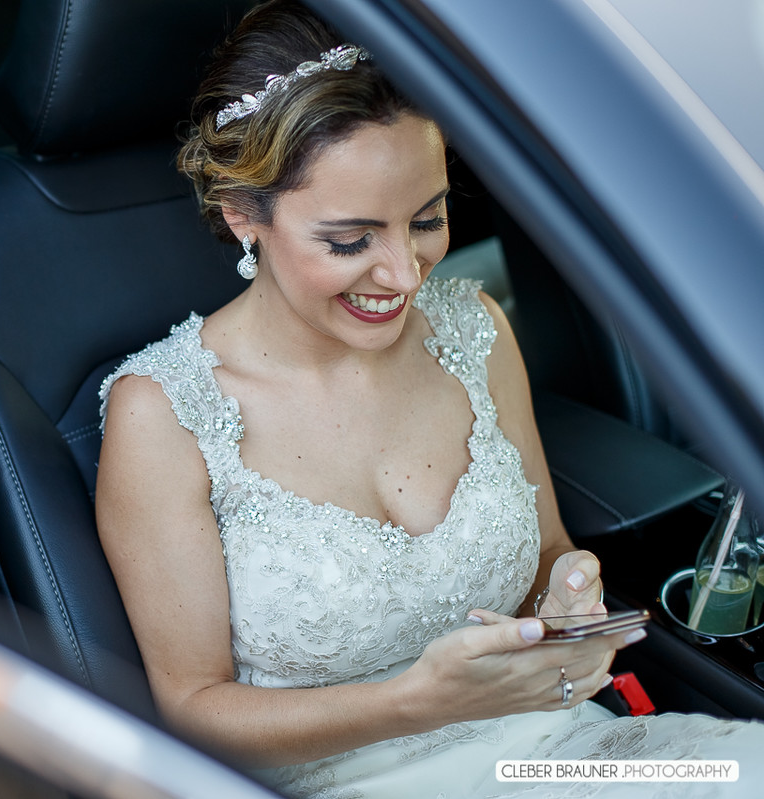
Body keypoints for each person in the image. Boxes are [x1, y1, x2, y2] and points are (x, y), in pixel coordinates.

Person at [95, 1, 764, 796]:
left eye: (427, 219)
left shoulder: (474, 328)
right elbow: (193, 712)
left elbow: (548, 552)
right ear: (245, 217)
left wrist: (569, 593)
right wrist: (413, 702)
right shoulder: (165, 412)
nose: (404, 274)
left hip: (550, 750)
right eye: (350, 240)